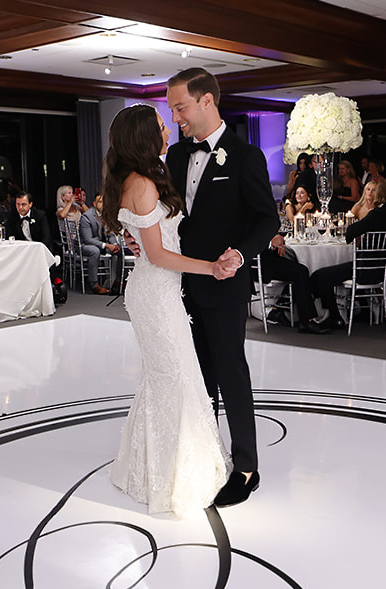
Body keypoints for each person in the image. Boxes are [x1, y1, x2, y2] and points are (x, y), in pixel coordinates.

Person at [101, 104, 236, 518]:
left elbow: (146, 240)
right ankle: (171, 476)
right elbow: (158, 255)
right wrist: (211, 268)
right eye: (161, 126)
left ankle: (153, 468)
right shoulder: (142, 183)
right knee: (174, 378)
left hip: (158, 290)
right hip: (156, 293)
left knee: (168, 378)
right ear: (143, 136)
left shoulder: (139, 177)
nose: (168, 131)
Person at [162, 69, 280, 506]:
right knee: (196, 378)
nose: (176, 118)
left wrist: (241, 253)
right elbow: (167, 213)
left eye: (180, 107)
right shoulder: (176, 156)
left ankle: (246, 468)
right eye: (172, 109)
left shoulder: (246, 156)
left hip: (225, 285)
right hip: (179, 284)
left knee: (230, 373)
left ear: (207, 101)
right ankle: (205, 459)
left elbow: (267, 218)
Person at [303, 178, 386, 334]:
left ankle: (333, 316)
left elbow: (352, 231)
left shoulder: (377, 214)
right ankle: (352, 313)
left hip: (366, 269)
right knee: (328, 275)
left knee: (320, 276)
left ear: (380, 193)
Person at [257, 232, 316, 330]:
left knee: (298, 270)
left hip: (269, 259)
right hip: (261, 265)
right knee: (301, 272)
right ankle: (306, 321)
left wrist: (278, 243)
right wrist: (271, 243)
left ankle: (277, 310)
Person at [80, 193, 121, 294]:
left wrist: (114, 245)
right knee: (95, 251)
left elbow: (110, 234)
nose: (103, 204)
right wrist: (107, 245)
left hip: (103, 244)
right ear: (94, 204)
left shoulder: (107, 215)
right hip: (86, 245)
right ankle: (94, 284)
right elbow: (87, 239)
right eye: (100, 202)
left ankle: (117, 281)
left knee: (119, 250)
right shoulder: (87, 217)